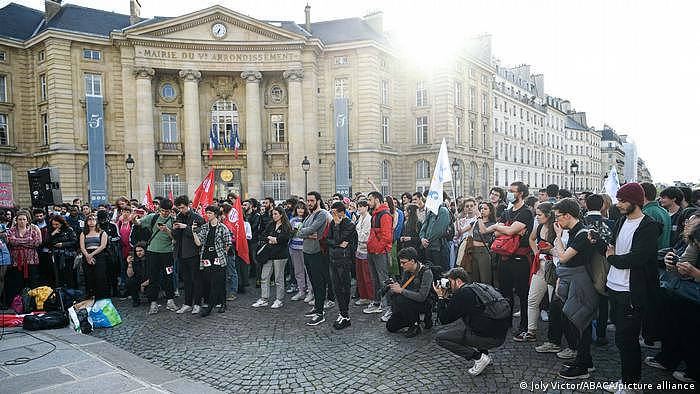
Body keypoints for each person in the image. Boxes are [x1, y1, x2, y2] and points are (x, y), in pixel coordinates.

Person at [605, 183, 662, 391]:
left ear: (635, 202)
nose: (618, 204)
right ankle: (625, 380)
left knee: (627, 339)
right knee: (621, 339)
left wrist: (612, 259)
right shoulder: (621, 221)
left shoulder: (649, 226)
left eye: (622, 201)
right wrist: (599, 244)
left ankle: (631, 384)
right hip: (615, 287)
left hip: (632, 291)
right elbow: (612, 247)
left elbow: (636, 259)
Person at [551, 197, 599, 380]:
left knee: (581, 322)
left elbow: (562, 257)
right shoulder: (575, 231)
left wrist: (557, 236)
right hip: (575, 280)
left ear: (568, 215)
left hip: (581, 283)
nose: (557, 221)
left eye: (558, 217)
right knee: (577, 321)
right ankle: (584, 360)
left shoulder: (581, 233)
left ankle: (583, 366)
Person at [433, 267, 510, 376]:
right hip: (499, 335)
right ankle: (485, 355)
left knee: (440, 337)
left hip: (488, 338)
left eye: (450, 282)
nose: (448, 285)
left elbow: (444, 319)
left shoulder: (462, 294)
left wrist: (441, 297)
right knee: (475, 319)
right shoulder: (478, 287)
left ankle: (478, 358)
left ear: (458, 281)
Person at [484, 181, 534, 335]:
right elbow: (497, 234)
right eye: (509, 190)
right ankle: (506, 322)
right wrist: (504, 229)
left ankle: (524, 325)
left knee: (522, 293)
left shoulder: (526, 212)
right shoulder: (507, 211)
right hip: (504, 257)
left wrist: (500, 228)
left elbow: (510, 230)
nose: (509, 193)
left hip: (520, 259)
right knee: (505, 292)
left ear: (521, 193)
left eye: (512, 191)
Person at [516, 202, 556, 343]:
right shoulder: (538, 226)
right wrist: (536, 252)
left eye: (539, 214)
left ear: (548, 215)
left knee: (554, 303)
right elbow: (531, 239)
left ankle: (554, 337)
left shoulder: (557, 227)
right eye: (536, 214)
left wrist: (551, 250)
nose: (537, 217)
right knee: (532, 299)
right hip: (540, 265)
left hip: (554, 268)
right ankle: (531, 331)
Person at [135, 198, 178, 315]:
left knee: (168, 277)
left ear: (171, 211)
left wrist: (167, 230)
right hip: (152, 252)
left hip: (167, 253)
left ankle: (170, 300)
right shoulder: (152, 217)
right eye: (163, 210)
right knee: (153, 278)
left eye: (167, 211)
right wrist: (134, 218)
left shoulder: (174, 220)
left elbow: (175, 239)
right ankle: (153, 303)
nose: (164, 213)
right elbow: (138, 223)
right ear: (159, 209)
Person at [298, 192, 331, 326]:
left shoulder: (322, 214)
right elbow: (299, 230)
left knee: (319, 283)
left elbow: (310, 229)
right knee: (313, 282)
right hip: (307, 252)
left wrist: (304, 232)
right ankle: (317, 307)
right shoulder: (310, 215)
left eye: (312, 200)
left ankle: (320, 313)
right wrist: (305, 233)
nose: (309, 203)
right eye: (308, 200)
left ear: (318, 201)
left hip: (317, 253)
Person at [385, 247, 434, 337]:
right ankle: (415, 318)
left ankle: (414, 325)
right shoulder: (407, 271)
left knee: (400, 299)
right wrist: (395, 286)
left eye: (404, 263)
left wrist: (401, 290)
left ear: (412, 261)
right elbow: (403, 286)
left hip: (424, 303)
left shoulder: (426, 272)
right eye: (401, 262)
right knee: (391, 326)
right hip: (408, 302)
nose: (401, 265)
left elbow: (422, 297)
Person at [192, 205, 232, 316]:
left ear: (215, 214)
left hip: (218, 257)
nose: (207, 215)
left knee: (217, 281)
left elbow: (228, 243)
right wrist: (194, 232)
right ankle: (219, 303)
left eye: (210, 213)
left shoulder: (222, 227)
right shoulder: (205, 227)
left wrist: (222, 253)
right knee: (210, 281)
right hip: (206, 257)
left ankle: (211, 307)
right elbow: (199, 242)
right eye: (206, 213)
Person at [172, 195, 206, 315]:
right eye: (179, 208)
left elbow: (198, 235)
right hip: (181, 253)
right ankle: (187, 303)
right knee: (186, 280)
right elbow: (175, 236)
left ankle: (197, 303)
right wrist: (174, 229)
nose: (180, 210)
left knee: (196, 279)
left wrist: (185, 227)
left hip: (193, 253)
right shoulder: (178, 217)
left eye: (182, 207)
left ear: (188, 205)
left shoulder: (197, 217)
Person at [253, 206, 291, 309]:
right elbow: (262, 236)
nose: (274, 216)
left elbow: (284, 239)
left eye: (276, 214)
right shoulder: (271, 224)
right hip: (268, 255)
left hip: (280, 255)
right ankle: (264, 298)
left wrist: (276, 240)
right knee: (264, 277)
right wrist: (271, 239)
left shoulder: (285, 226)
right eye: (273, 214)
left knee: (278, 278)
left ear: (281, 215)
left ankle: (279, 299)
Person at [326, 201, 357, 329]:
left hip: (344, 261)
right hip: (333, 259)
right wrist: (337, 243)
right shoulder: (333, 222)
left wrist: (338, 227)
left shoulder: (349, 224)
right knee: (336, 288)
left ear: (342, 213)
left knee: (344, 288)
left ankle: (345, 315)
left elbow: (337, 239)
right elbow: (328, 240)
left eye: (334, 213)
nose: (333, 215)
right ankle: (342, 313)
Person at [363, 191, 394, 319]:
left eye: (370, 200)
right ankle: (377, 303)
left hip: (379, 252)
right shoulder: (375, 214)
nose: (368, 203)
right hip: (373, 251)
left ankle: (390, 308)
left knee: (383, 280)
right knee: (375, 279)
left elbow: (387, 237)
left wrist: (378, 248)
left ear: (376, 199)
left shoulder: (384, 214)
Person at [6, 210, 42, 293]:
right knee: (17, 283)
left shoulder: (32, 231)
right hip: (16, 262)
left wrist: (18, 241)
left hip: (31, 261)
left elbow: (36, 243)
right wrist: (28, 240)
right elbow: (12, 241)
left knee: (32, 283)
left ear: (27, 220)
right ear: (16, 220)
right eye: (20, 219)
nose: (22, 221)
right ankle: (18, 303)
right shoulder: (12, 231)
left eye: (24, 219)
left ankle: (32, 303)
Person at [79, 213, 110, 299]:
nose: (91, 221)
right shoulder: (83, 233)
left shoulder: (102, 232)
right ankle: (91, 295)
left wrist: (91, 255)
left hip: (99, 255)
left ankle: (102, 296)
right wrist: (87, 256)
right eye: (89, 219)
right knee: (89, 277)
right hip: (86, 254)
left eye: (93, 219)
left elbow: (103, 246)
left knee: (100, 276)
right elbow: (82, 246)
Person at [46, 215, 78, 288]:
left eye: (57, 224)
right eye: (53, 224)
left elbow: (74, 241)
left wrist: (63, 244)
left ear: (61, 223)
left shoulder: (69, 230)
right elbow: (46, 242)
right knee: (58, 275)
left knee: (69, 274)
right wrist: (53, 234)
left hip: (67, 255)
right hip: (55, 255)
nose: (55, 226)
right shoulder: (50, 230)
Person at [419, 197, 451, 272]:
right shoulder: (430, 212)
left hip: (438, 248)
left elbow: (439, 230)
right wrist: (422, 238)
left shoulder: (443, 211)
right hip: (428, 247)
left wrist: (427, 241)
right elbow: (423, 228)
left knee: (439, 271)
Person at [289, 202, 312, 302]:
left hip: (305, 248)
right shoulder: (293, 220)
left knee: (308, 271)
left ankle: (310, 291)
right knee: (298, 271)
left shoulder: (308, 219)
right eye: (298, 208)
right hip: (294, 247)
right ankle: (301, 291)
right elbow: (289, 233)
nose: (300, 210)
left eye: (302, 208)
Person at [354, 199, 374, 306]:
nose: (359, 208)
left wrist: (357, 234)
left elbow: (366, 236)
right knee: (360, 276)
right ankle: (363, 296)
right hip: (359, 249)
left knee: (367, 276)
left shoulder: (369, 219)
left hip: (366, 250)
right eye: (358, 206)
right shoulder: (360, 217)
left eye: (361, 206)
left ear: (366, 207)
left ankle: (370, 297)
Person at [640, 182, 671, 250]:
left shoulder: (646, 213)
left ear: (642, 194)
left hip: (653, 256)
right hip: (662, 255)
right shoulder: (664, 211)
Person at [472, 202, 496, 286]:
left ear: (491, 211)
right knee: (474, 279)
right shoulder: (476, 222)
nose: (482, 210)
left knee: (485, 279)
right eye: (481, 208)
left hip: (483, 252)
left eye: (485, 209)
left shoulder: (492, 224)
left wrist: (479, 218)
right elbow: (460, 231)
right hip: (473, 251)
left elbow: (483, 231)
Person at [125, 242, 148, 307]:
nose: (138, 253)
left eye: (140, 251)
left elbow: (154, 275)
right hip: (139, 280)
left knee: (151, 294)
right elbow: (130, 275)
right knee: (129, 281)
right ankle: (136, 300)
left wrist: (143, 285)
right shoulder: (135, 260)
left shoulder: (150, 259)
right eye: (137, 251)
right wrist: (129, 264)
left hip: (149, 281)